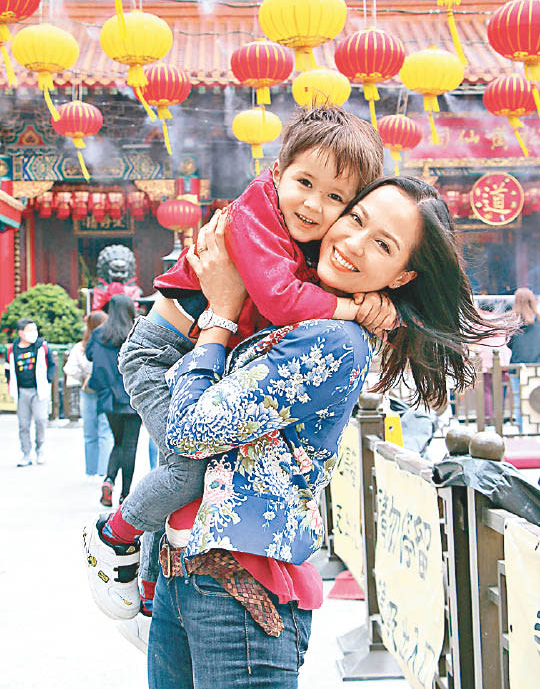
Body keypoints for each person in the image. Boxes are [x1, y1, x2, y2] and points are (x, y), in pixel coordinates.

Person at [85, 177, 510, 682]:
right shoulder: (290, 299)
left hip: (241, 594)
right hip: (185, 576)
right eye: (355, 218)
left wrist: (220, 314)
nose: (354, 242)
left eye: (383, 245)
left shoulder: (331, 340)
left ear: (401, 277)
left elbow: (192, 430)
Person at [82, 106, 397, 620]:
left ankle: (147, 591)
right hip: (158, 356)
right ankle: (113, 534)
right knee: (187, 471)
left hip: (191, 355)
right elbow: (277, 299)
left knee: (187, 467)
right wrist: (353, 307)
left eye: (336, 198)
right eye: (304, 182)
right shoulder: (254, 214)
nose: (315, 205)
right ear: (276, 172)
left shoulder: (305, 239)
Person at [85, 294, 142, 507]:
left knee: (118, 442)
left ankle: (109, 481)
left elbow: (90, 356)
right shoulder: (135, 333)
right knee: (130, 446)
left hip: (109, 398)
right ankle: (125, 494)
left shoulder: (99, 333)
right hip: (132, 396)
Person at [63, 310, 113, 480]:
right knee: (103, 430)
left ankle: (93, 471)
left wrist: (84, 376)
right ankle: (102, 471)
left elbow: (70, 369)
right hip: (104, 390)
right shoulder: (108, 343)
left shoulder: (81, 346)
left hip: (89, 391)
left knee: (92, 432)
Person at [6, 318, 56, 467]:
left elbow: (52, 365)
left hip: (38, 389)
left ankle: (40, 449)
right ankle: (26, 453)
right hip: (22, 391)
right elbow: (8, 370)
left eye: (34, 330)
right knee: (23, 424)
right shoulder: (12, 349)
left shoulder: (42, 346)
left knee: (41, 420)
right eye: (29, 330)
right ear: (21, 333)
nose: (33, 334)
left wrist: (47, 380)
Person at [508, 287, 540, 427]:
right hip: (537, 365)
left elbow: (509, 344)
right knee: (536, 399)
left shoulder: (513, 322)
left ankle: (522, 430)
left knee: (519, 400)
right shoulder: (539, 321)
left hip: (517, 366)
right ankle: (536, 428)